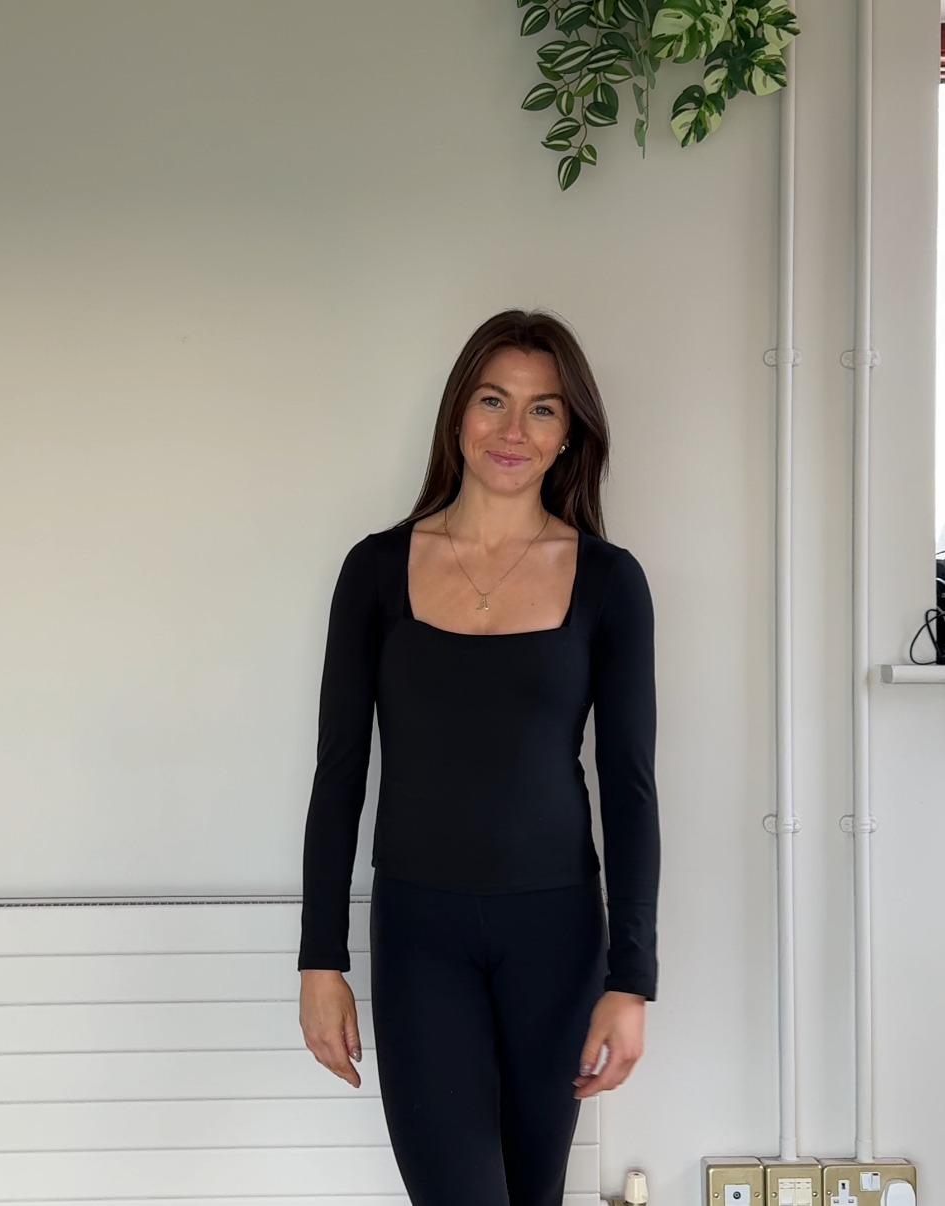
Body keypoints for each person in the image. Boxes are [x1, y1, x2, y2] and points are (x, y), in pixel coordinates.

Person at [296, 309, 660, 1206]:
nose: (513, 429)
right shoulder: (376, 570)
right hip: (421, 935)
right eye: (494, 400)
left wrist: (631, 979)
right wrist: (320, 962)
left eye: (543, 408)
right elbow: (340, 773)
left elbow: (630, 786)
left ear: (569, 431)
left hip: (557, 936)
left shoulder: (609, 581)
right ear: (459, 411)